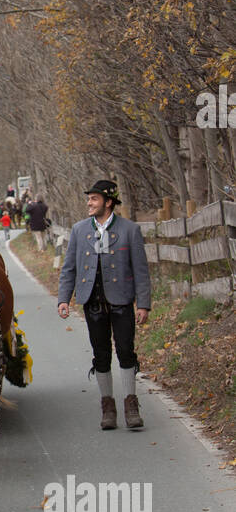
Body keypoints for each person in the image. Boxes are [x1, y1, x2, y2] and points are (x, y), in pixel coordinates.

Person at [57, 179, 151, 431]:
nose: (89, 203)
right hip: (92, 302)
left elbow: (141, 271)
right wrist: (64, 299)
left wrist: (143, 304)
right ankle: (107, 407)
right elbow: (69, 268)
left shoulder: (130, 230)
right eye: (88, 199)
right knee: (101, 355)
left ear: (108, 202)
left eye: (94, 199)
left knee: (125, 351)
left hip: (121, 301)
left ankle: (131, 405)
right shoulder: (79, 230)